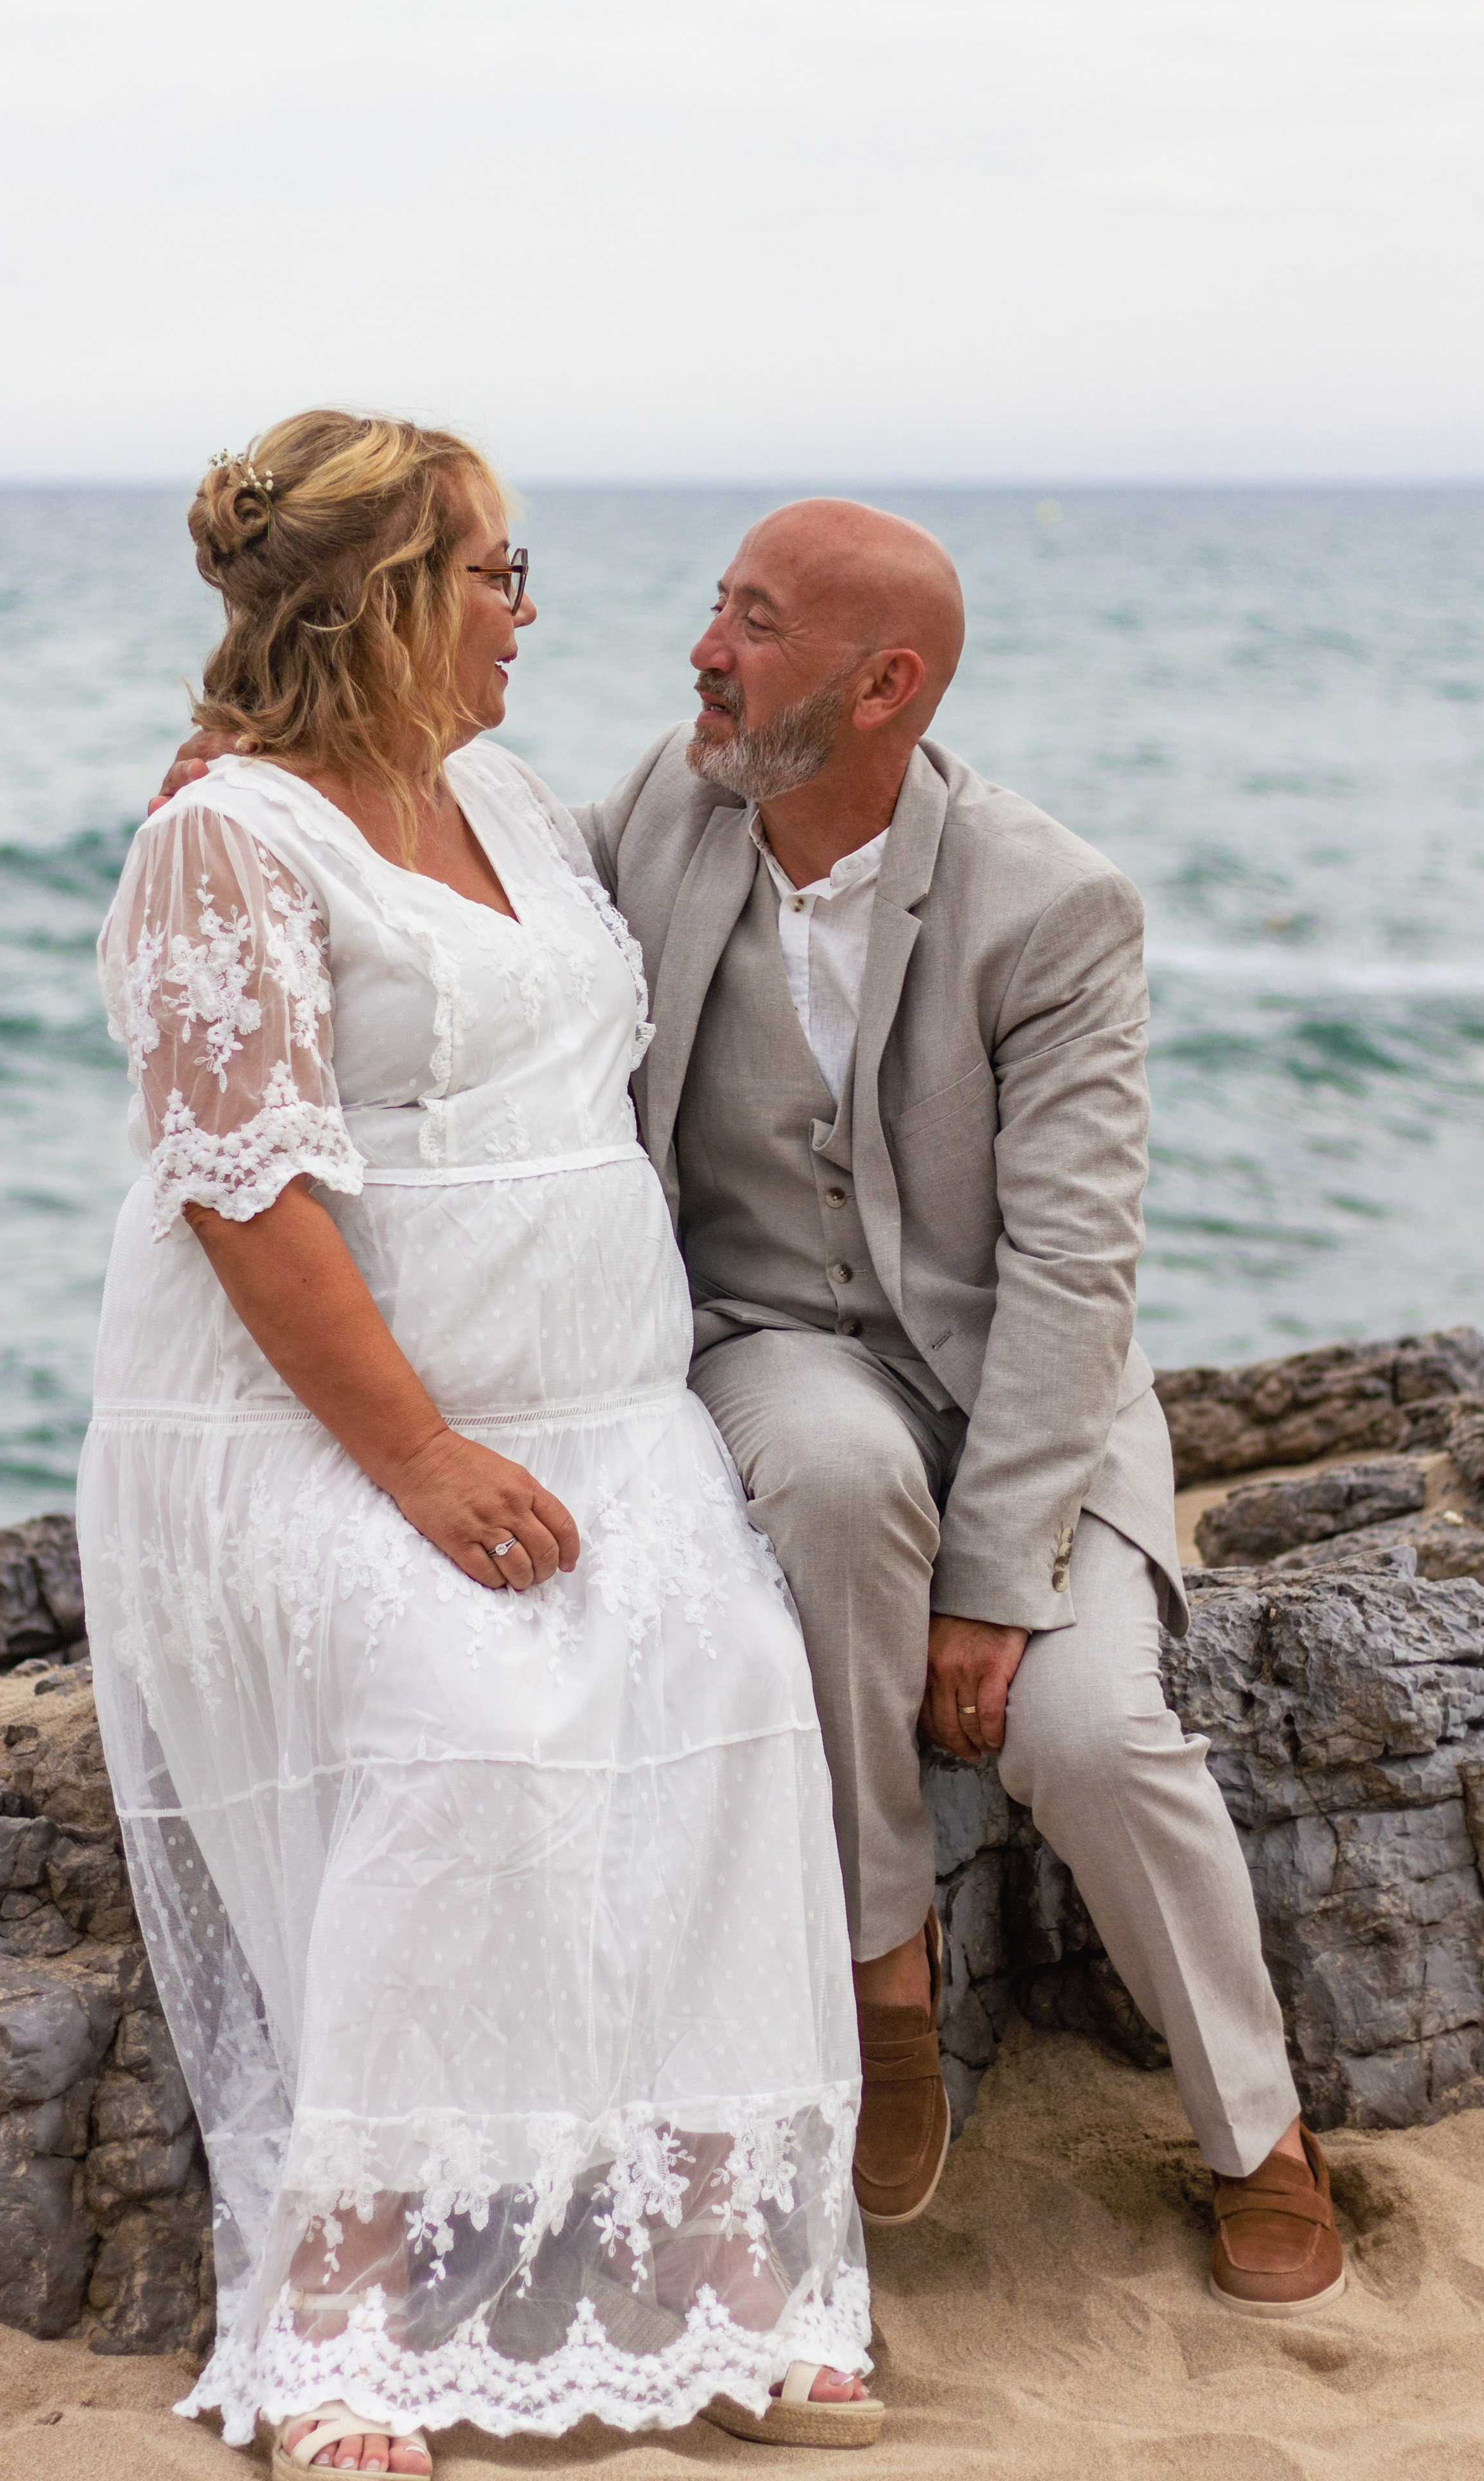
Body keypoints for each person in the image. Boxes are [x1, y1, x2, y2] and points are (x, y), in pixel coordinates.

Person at [158, 492, 1346, 2319]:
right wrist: (243, 767)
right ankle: (889, 1985)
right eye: (719, 607)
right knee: (841, 1474)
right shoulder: (662, 810)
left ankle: (1258, 2138)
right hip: (780, 1356)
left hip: (1024, 1414)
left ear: (886, 687)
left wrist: (1000, 1581)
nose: (704, 650)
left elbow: (1073, 1276)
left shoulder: (1055, 904)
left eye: (759, 625)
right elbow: (438, 853)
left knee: (1094, 1738)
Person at [80, 412, 877, 2481]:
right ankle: (344, 2316)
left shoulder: (510, 797)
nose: (532, 615)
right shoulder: (226, 839)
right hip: (317, 1434)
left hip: (606, 1424)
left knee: (726, 1689)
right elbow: (245, 1197)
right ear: (387, 603)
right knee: (472, 1736)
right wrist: (421, 1462)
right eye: (499, 576)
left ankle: (720, 2262)